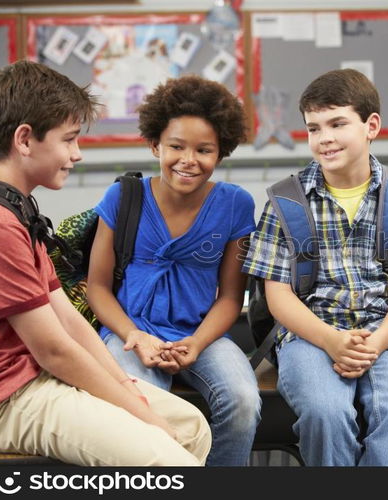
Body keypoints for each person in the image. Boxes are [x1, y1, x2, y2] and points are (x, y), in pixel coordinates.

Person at [0, 60, 210, 466]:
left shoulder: (19, 210)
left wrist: (124, 386)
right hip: (7, 395)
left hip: (36, 376)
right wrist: (142, 416)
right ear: (24, 139)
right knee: (167, 458)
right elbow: (55, 351)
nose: (76, 154)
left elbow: (71, 322)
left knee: (190, 426)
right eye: (69, 139)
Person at [242, 69, 388, 466]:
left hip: (387, 332)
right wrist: (331, 340)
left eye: (337, 124)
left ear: (372, 126)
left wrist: (380, 340)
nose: (325, 138)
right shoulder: (286, 203)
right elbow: (278, 296)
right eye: (314, 128)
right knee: (325, 412)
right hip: (308, 333)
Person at [86, 75, 260, 466]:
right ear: (154, 145)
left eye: (204, 150)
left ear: (222, 153)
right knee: (147, 409)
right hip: (129, 332)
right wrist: (134, 335)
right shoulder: (123, 197)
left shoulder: (235, 205)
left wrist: (196, 343)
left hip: (201, 334)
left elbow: (232, 296)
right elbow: (96, 287)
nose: (188, 160)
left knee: (245, 401)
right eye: (176, 147)